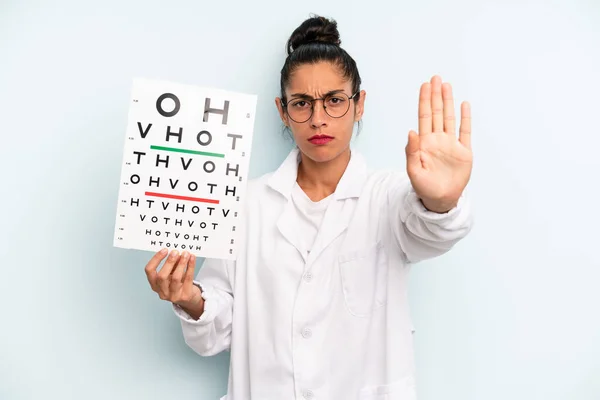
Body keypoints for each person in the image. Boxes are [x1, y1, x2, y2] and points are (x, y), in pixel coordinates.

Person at [144, 15, 474, 400]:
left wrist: (441, 199)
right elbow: (217, 331)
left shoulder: (387, 196)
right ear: (283, 111)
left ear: (359, 104)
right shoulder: (246, 204)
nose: (318, 119)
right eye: (301, 103)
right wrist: (188, 298)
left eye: (334, 100)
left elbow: (430, 231)